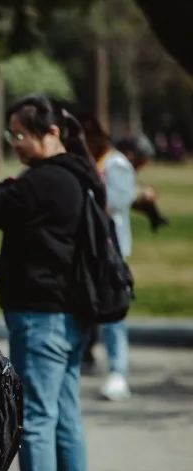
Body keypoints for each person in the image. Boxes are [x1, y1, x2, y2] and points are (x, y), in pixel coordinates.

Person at [0, 95, 101, 471]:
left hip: (41, 314)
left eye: (21, 134)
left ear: (51, 134)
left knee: (36, 415)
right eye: (11, 134)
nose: (15, 142)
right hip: (71, 315)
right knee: (65, 413)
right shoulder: (83, 177)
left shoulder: (44, 182)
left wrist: (8, 185)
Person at [80, 114, 136, 400]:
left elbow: (119, 200)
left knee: (113, 313)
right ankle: (86, 357)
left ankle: (118, 371)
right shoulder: (90, 163)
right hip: (89, 249)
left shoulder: (116, 164)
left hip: (112, 251)